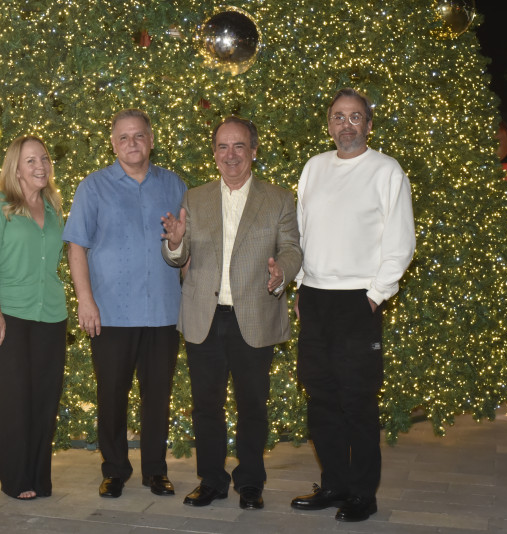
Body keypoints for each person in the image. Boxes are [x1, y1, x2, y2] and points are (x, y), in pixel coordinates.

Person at [161, 116, 302, 510]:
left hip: (254, 315)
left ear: (254, 151)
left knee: (252, 405)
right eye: (222, 147)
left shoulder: (278, 199)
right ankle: (211, 480)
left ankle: (251, 483)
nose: (231, 155)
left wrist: (282, 273)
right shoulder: (196, 197)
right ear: (214, 154)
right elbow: (180, 252)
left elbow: (292, 248)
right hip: (204, 316)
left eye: (239, 146)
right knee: (206, 405)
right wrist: (174, 244)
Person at [290, 88, 415, 522]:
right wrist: (302, 287)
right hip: (315, 299)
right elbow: (303, 233)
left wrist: (376, 294)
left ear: (369, 124)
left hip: (358, 301)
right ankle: (334, 484)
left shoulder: (386, 171)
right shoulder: (314, 168)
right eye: (339, 117)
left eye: (355, 116)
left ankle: (363, 493)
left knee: (357, 401)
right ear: (329, 124)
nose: (347, 124)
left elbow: (401, 241)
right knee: (320, 397)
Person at [62, 109, 187, 498]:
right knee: (111, 395)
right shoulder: (93, 187)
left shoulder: (175, 185)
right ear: (112, 143)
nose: (132, 143)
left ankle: (155, 471)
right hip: (111, 312)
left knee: (158, 397)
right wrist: (85, 300)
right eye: (123, 137)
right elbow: (76, 246)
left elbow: (186, 247)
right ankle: (114, 469)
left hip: (164, 312)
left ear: (151, 140)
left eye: (139, 136)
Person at [0, 136, 67, 500]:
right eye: (30, 161)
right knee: (11, 398)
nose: (40, 165)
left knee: (44, 398)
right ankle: (16, 480)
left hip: (49, 313)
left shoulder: (55, 206)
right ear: (15, 168)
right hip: (4, 312)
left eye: (43, 158)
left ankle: (39, 479)